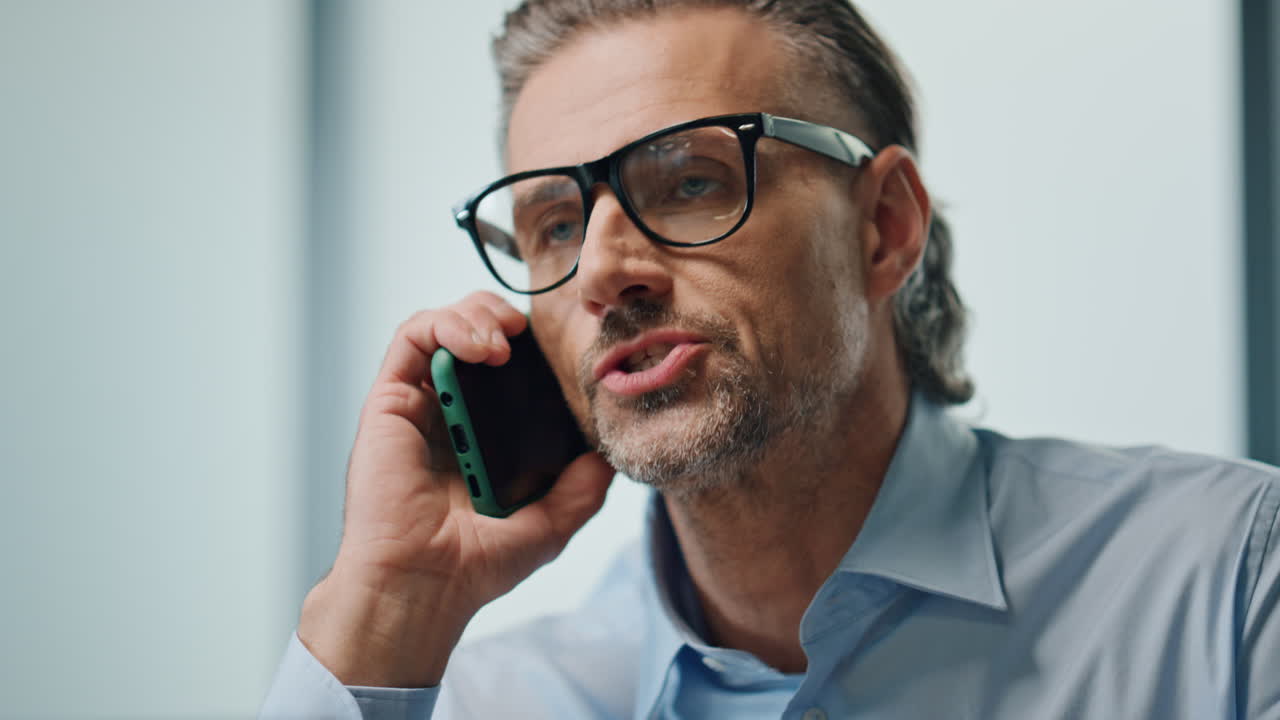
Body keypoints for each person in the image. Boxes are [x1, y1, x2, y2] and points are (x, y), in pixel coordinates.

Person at [261, 1, 1280, 718]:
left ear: (881, 228)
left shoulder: (1226, 583)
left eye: (691, 182)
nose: (603, 271)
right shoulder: (499, 701)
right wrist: (388, 609)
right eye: (554, 222)